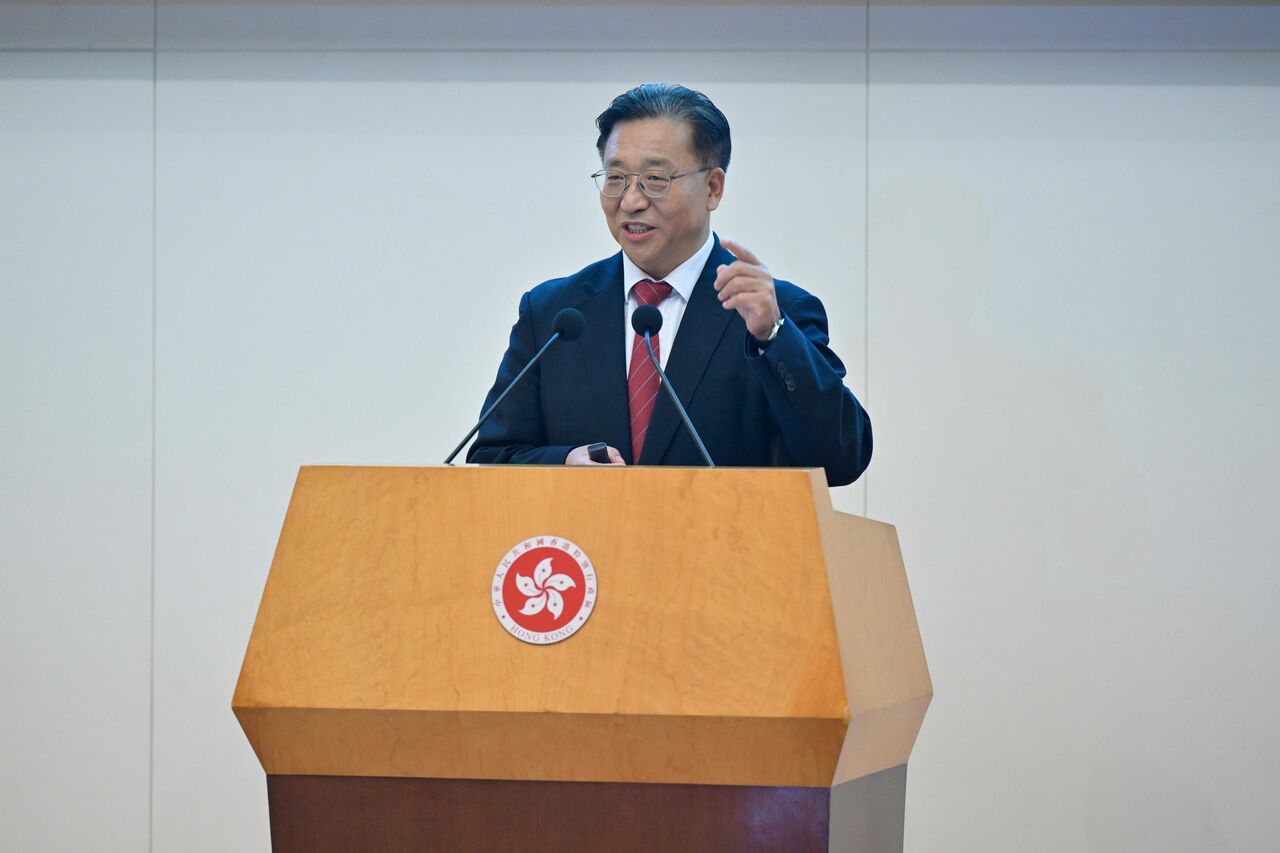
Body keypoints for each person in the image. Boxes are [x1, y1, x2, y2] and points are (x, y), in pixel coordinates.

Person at [466, 83, 871, 487]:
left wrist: (774, 336)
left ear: (712, 188)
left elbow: (840, 460)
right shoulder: (554, 314)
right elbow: (493, 456)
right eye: (616, 178)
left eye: (655, 178)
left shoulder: (775, 313)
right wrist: (565, 463)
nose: (631, 201)